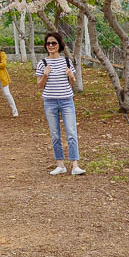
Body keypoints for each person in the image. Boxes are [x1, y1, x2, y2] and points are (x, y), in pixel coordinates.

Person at [36, 32, 84, 175]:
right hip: (49, 101)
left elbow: (73, 82)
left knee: (71, 132)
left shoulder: (67, 62)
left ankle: (75, 165)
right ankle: (60, 164)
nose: (51, 46)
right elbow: (39, 85)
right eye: (48, 43)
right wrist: (45, 75)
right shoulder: (42, 63)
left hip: (66, 101)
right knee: (55, 134)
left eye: (54, 43)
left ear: (59, 45)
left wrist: (71, 76)